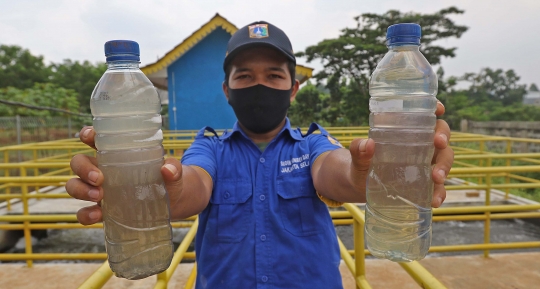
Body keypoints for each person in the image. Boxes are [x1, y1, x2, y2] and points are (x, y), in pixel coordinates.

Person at [67, 21, 454, 288]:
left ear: (293, 89)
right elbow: (190, 187)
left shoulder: (313, 143)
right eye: (245, 77)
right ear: (226, 90)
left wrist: (376, 169)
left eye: (273, 76)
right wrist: (140, 185)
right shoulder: (210, 146)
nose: (259, 86)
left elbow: (340, 172)